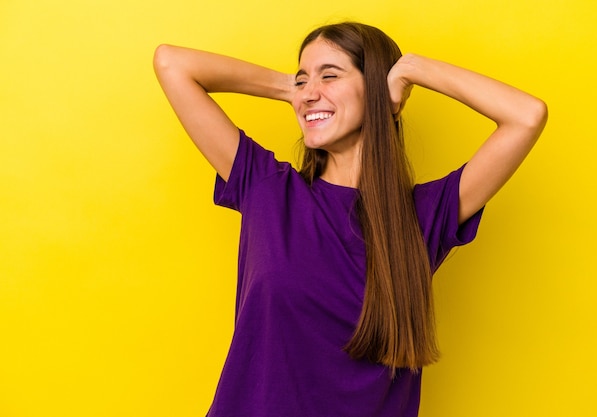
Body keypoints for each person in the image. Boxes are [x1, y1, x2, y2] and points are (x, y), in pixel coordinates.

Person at [153, 21, 547, 417]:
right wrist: (293, 91)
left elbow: (527, 116)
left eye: (330, 75)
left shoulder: (423, 215)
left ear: (375, 87)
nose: (310, 92)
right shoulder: (267, 189)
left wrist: (411, 70)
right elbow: (172, 64)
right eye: (303, 79)